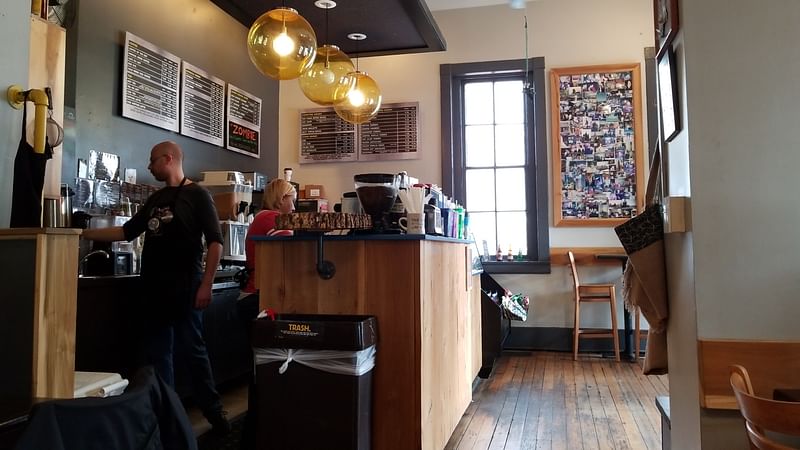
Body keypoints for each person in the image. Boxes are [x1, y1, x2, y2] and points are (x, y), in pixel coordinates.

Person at [81, 141, 230, 434]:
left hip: (186, 288)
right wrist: (83, 232)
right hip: (154, 290)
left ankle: (214, 413)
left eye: (153, 161)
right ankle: (167, 416)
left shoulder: (198, 195)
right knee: (159, 357)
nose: (149, 166)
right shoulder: (156, 198)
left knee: (194, 352)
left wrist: (206, 284)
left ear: (168, 159)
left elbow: (216, 242)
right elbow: (126, 231)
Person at [241, 178, 296, 295]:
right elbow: (291, 253)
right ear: (282, 199)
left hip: (256, 289)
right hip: (261, 293)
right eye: (292, 201)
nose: (293, 208)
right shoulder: (273, 218)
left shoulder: (262, 216)